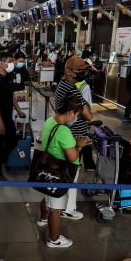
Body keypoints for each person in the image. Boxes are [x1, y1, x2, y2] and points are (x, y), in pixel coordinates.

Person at [36, 95, 91, 248]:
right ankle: (53, 239)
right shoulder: (63, 131)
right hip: (59, 173)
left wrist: (72, 140)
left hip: (48, 169)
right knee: (56, 207)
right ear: (71, 112)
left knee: (48, 197)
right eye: (77, 114)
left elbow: (55, 141)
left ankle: (42, 219)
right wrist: (79, 146)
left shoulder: (50, 121)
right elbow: (73, 157)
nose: (77, 117)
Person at [55, 56, 95, 193]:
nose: (82, 73)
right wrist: (85, 105)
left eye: (83, 70)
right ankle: (68, 206)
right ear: (68, 72)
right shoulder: (72, 90)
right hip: (74, 135)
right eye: (78, 70)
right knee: (72, 168)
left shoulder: (63, 85)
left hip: (70, 132)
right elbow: (89, 115)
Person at [0, 52, 26, 181]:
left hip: (7, 116)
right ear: (1, 63)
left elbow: (11, 95)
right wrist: (0, 123)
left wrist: (19, 110)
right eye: (10, 61)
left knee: (12, 140)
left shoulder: (7, 77)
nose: (12, 63)